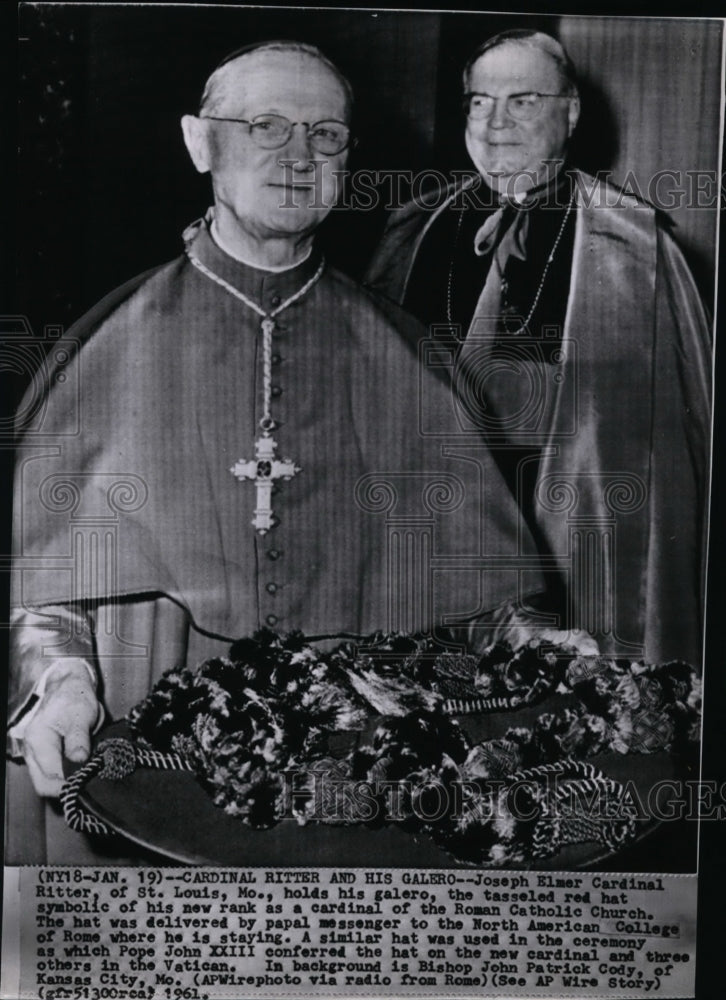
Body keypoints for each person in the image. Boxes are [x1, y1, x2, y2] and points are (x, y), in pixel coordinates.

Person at [8, 40, 546, 863]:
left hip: (350, 766)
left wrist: (535, 639)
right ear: (199, 142)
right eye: (265, 125)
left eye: (325, 134)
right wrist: (63, 683)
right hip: (142, 747)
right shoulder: (108, 347)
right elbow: (47, 587)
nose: (298, 156)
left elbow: (477, 591)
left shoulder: (403, 353)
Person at [366, 29, 711, 668]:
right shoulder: (415, 229)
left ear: (570, 112)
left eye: (523, 100)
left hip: (577, 549)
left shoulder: (635, 246)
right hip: (434, 536)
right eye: (479, 102)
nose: (496, 123)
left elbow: (680, 454)